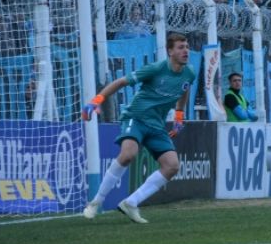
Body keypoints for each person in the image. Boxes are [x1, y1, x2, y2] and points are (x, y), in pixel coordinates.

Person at [81, 33, 197, 223]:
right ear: (170, 51)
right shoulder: (156, 69)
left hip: (156, 125)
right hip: (136, 117)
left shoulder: (189, 73)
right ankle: (96, 202)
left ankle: (131, 203)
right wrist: (96, 101)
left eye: (186, 46)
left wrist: (178, 115)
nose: (186, 50)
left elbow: (185, 88)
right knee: (128, 155)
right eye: (180, 47)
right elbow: (120, 82)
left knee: (172, 166)